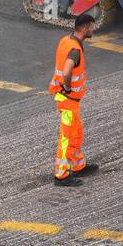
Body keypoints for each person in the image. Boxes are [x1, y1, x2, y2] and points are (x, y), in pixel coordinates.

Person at [50, 13, 95, 183]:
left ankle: (77, 165)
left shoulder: (66, 40)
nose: (94, 29)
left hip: (69, 102)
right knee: (66, 137)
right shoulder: (75, 50)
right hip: (67, 101)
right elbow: (68, 69)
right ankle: (61, 175)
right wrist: (68, 86)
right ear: (84, 28)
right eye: (92, 26)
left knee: (76, 134)